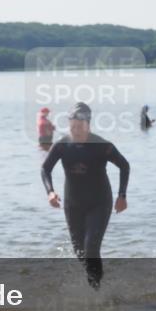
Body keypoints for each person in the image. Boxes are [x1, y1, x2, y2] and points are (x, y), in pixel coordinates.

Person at [40, 102, 130, 288]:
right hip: (73, 205)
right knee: (80, 252)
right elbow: (45, 169)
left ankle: (96, 291)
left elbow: (124, 165)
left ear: (88, 124)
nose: (76, 130)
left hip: (99, 203)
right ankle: (97, 284)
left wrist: (122, 195)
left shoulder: (101, 145)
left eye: (80, 126)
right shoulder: (62, 146)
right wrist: (50, 192)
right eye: (73, 126)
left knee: (91, 247)